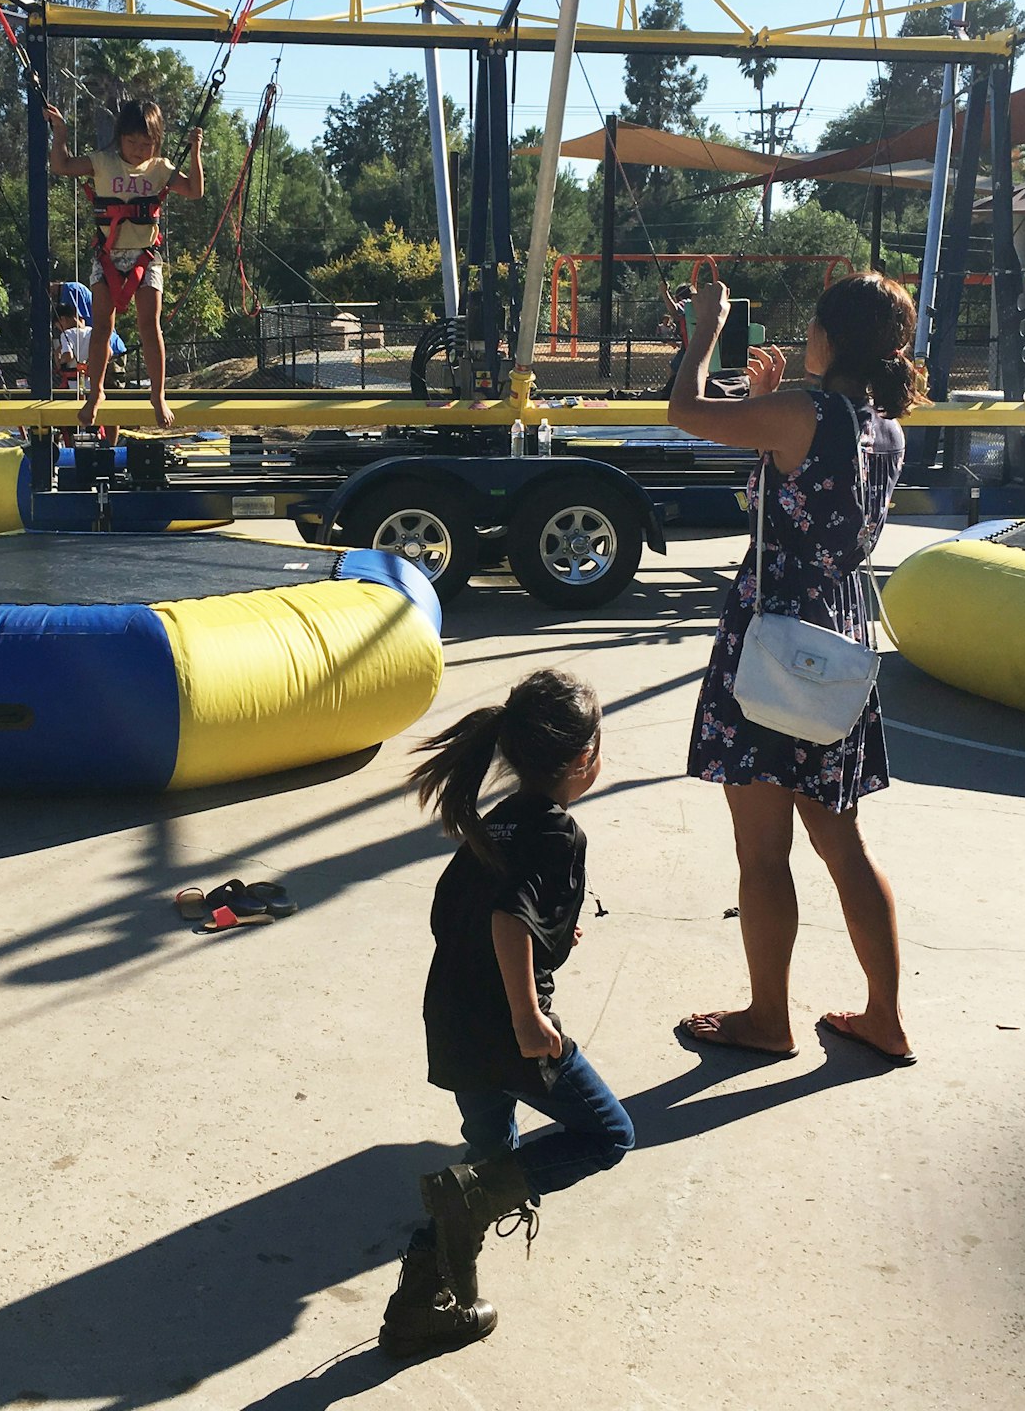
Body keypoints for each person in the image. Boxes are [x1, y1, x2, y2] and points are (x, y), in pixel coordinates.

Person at [669, 268, 919, 1066]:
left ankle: (768, 1018)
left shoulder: (803, 413)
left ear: (831, 337)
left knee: (762, 850)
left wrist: (703, 333)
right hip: (837, 641)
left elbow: (684, 413)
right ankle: (885, 1017)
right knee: (843, 845)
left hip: (772, 638)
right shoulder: (884, 427)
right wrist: (766, 402)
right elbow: (807, 487)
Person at [379, 669, 635, 1357]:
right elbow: (507, 917)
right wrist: (528, 1014)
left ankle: (420, 1304)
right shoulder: (557, 834)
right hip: (506, 1031)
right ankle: (465, 1216)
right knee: (609, 1134)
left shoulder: (495, 824)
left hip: (455, 1019)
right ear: (584, 758)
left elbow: (465, 912)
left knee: (488, 1160)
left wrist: (551, 935)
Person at [43, 97, 203, 430]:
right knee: (102, 327)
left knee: (150, 327)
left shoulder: (161, 168)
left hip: (146, 258)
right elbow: (62, 166)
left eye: (146, 144)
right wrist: (60, 133)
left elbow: (194, 190)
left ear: (156, 143)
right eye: (131, 143)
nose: (138, 150)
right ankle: (96, 392)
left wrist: (196, 150)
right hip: (109, 257)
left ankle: (158, 394)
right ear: (119, 139)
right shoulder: (103, 162)